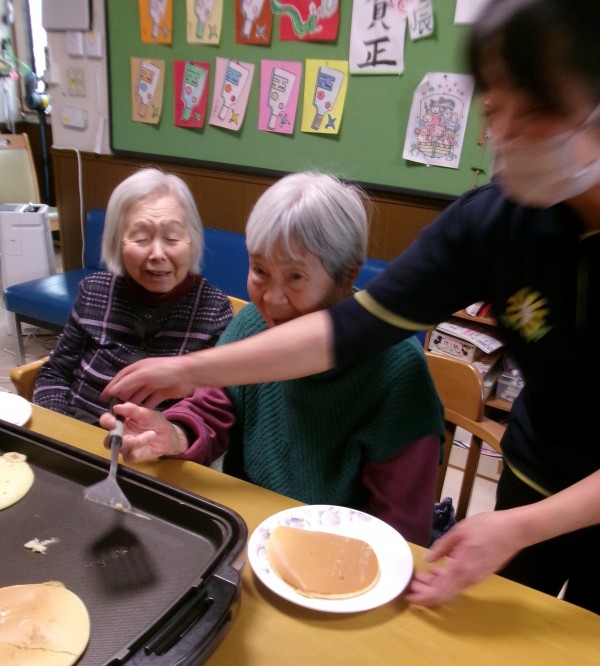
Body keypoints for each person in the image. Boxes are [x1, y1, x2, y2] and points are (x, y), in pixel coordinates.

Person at [104, 0, 600, 614]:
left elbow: (397, 527)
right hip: (534, 464)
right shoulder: (495, 222)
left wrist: (521, 527)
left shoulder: (394, 381)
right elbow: (347, 331)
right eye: (496, 111)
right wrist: (185, 386)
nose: (507, 138)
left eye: (538, 108)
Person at [100, 171, 445, 546]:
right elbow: (214, 410)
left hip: (338, 548)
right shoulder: (252, 324)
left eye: (295, 277)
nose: (271, 299)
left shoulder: (396, 368)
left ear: (346, 278)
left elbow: (401, 527)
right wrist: (173, 435)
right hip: (249, 527)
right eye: (260, 270)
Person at [32, 168, 232, 424]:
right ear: (117, 241)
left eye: (172, 238)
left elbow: (210, 405)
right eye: (141, 238)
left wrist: (172, 435)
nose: (157, 254)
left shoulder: (213, 310)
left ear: (192, 242)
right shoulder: (94, 291)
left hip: (155, 442)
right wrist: (57, 428)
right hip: (76, 428)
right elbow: (56, 372)